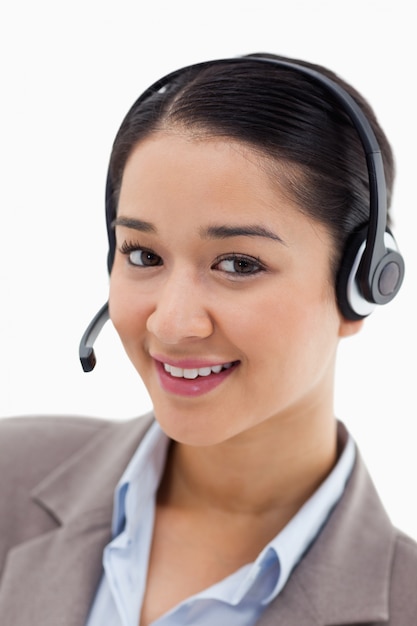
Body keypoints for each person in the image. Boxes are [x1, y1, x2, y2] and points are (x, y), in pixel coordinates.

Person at [0, 53, 415, 626]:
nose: (170, 323)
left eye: (239, 263)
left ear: (363, 285)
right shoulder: (7, 477)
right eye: (143, 255)